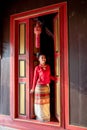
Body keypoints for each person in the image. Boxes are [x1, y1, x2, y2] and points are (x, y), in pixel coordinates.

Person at [30, 53, 55, 122]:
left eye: (44, 58)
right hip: (39, 88)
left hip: (46, 87)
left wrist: (55, 78)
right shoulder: (37, 68)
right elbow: (35, 78)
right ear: (39, 59)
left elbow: (49, 76)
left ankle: (46, 117)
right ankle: (40, 117)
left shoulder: (48, 67)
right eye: (42, 58)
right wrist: (33, 88)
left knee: (46, 103)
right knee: (40, 103)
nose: (44, 59)